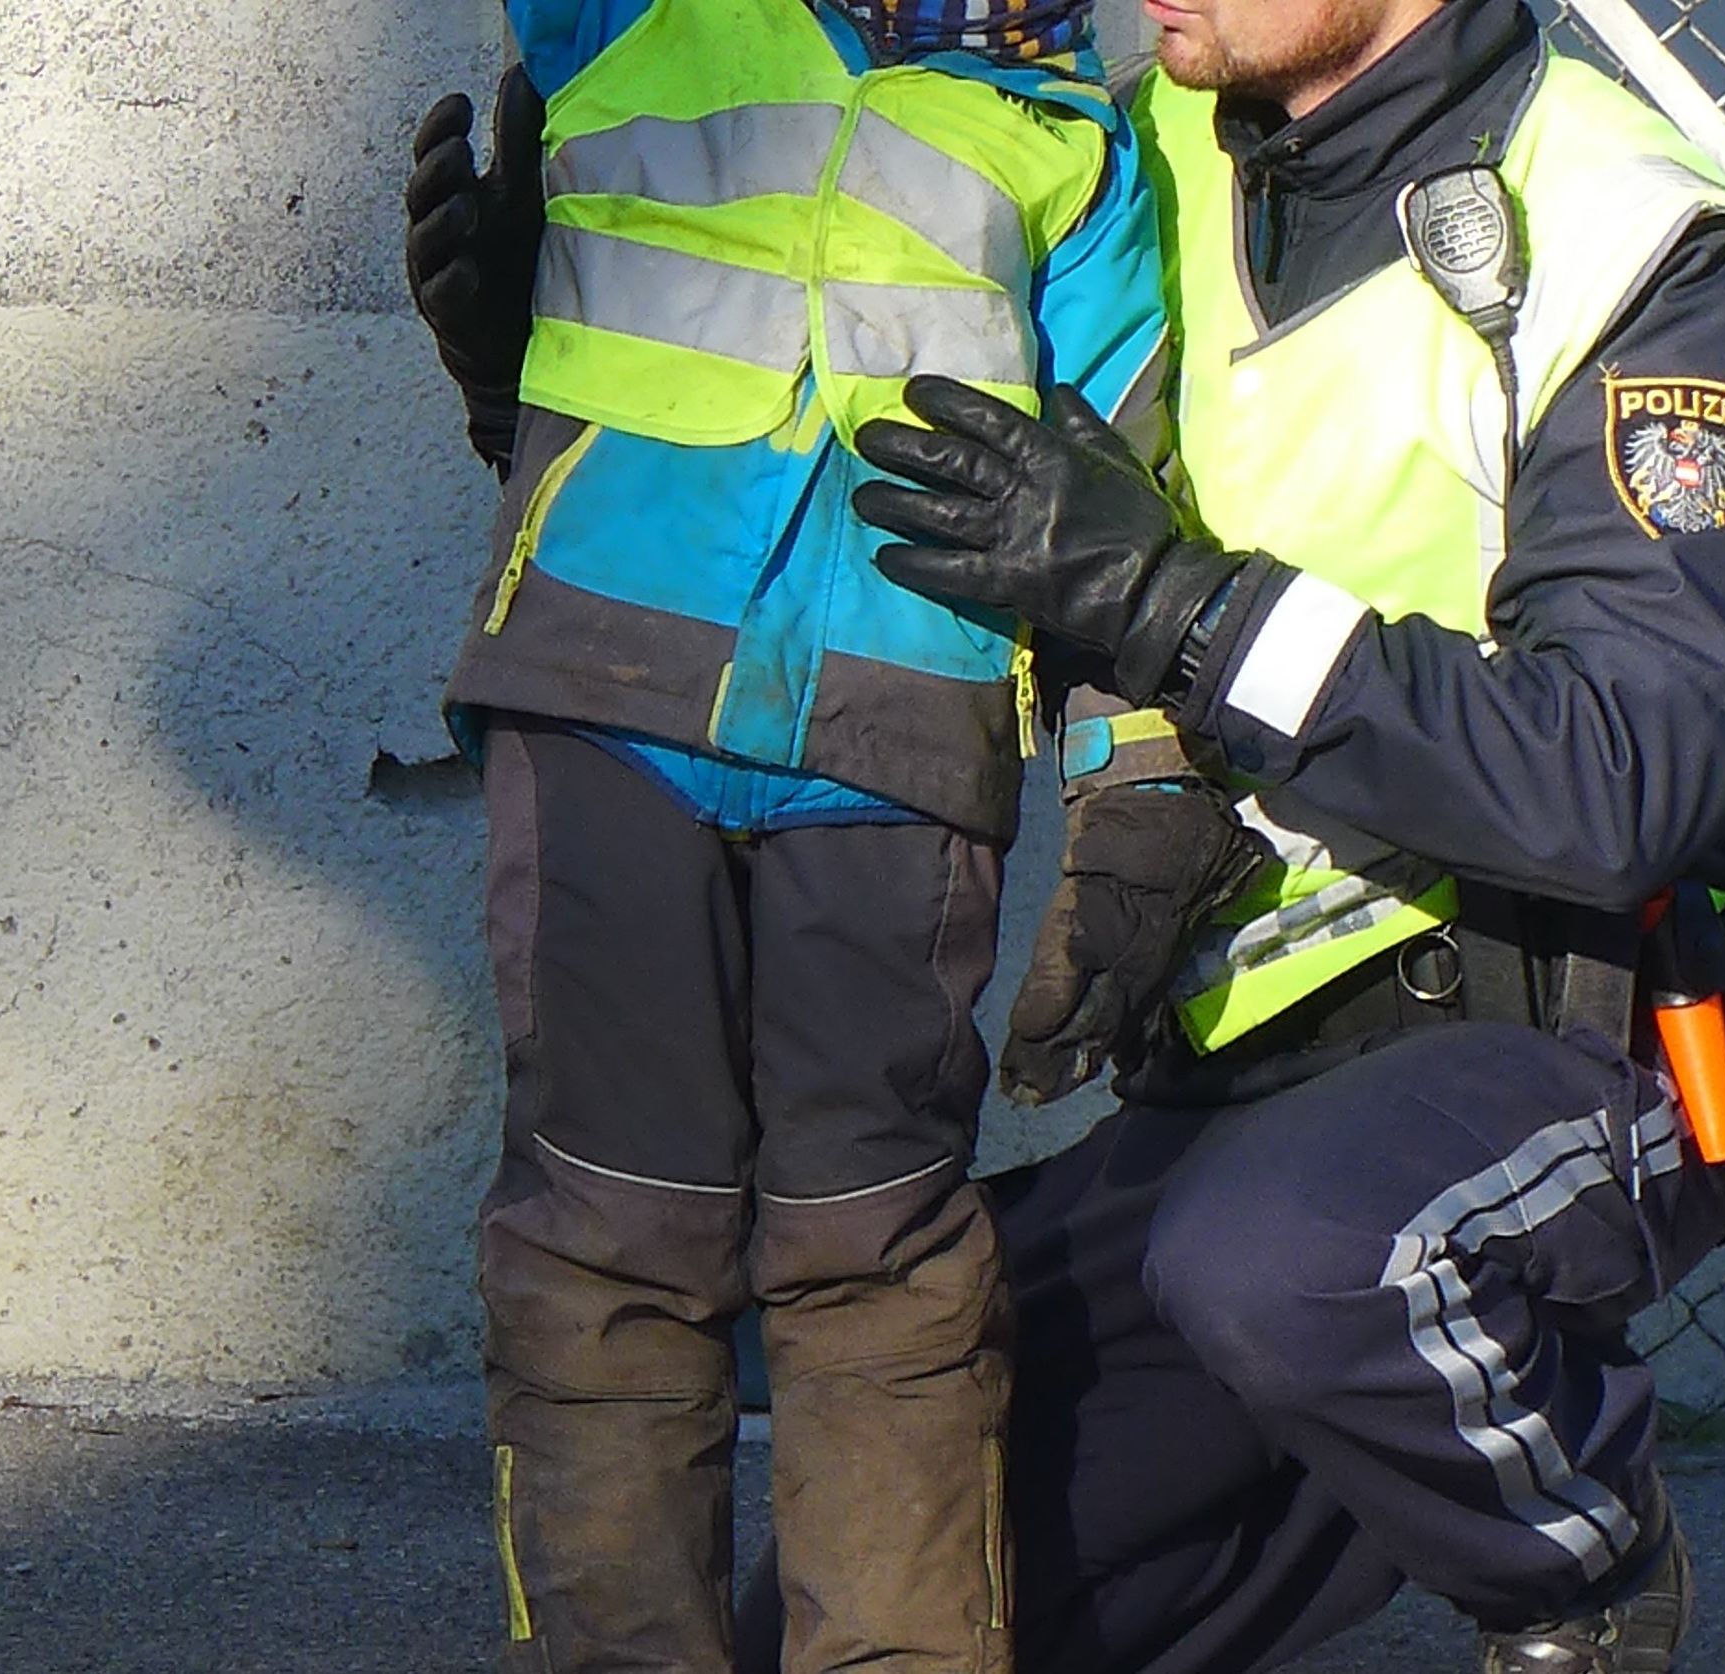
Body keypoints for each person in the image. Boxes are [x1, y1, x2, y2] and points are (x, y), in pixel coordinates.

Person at [415, 0, 1725, 1667]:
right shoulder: (1115, 149)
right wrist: (539, 373)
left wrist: (1183, 610)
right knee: (902, 1538)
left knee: (1296, 1260)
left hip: (1567, 1030)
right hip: (1237, 1081)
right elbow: (834, 495)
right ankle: (1333, 1466)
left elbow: (1622, 782)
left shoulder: (1636, 239)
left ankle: (1583, 1574)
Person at [400, 1, 1166, 1668]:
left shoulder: (1081, 140)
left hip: (895, 739)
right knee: (607, 1234)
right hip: (608, 690)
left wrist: (1138, 790)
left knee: (877, 1256)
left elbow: (1124, 494)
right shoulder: (635, 19)